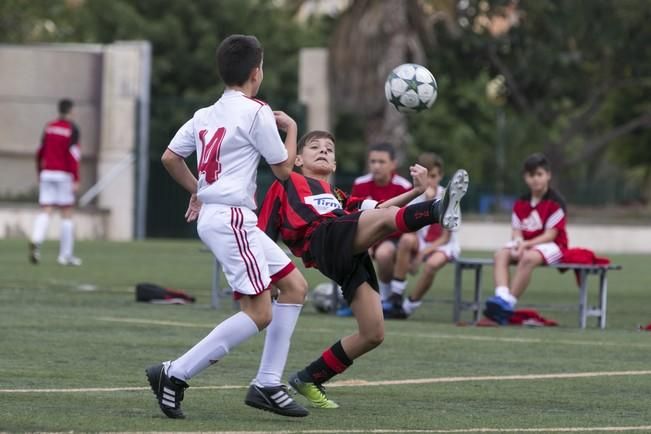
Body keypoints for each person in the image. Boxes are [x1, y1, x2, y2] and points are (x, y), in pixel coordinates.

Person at [145, 34, 310, 419]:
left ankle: (268, 382)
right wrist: (292, 129)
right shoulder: (256, 112)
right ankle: (174, 373)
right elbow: (284, 169)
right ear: (257, 73)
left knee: (294, 287)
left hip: (223, 217)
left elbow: (170, 158)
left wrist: (198, 190)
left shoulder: (205, 114)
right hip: (232, 217)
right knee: (260, 312)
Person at [257, 130, 469, 408]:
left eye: (329, 149)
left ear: (334, 165)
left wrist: (416, 191)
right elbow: (262, 232)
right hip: (320, 239)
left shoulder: (338, 195)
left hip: (346, 249)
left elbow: (381, 208)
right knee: (381, 219)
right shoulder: (287, 182)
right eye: (315, 147)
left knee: (373, 333)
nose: (323, 151)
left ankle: (309, 378)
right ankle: (437, 209)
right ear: (297, 160)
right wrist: (267, 279)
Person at [483, 152, 568, 325]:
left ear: (548, 175)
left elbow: (550, 235)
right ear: (525, 177)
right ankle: (501, 296)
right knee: (500, 254)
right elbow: (516, 230)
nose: (535, 179)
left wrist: (526, 245)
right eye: (531, 175)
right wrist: (519, 243)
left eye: (539, 174)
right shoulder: (520, 202)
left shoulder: (556, 202)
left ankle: (507, 305)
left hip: (552, 246)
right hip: (527, 244)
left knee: (528, 258)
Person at [383, 153, 461, 319]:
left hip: (442, 245)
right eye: (428, 176)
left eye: (434, 176)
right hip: (422, 241)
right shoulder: (416, 196)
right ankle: (396, 293)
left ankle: (408, 306)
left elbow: (445, 237)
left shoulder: (449, 196)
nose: (431, 181)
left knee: (432, 265)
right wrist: (411, 251)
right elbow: (408, 228)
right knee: (405, 240)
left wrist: (420, 254)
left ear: (440, 176)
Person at [350, 143, 412, 308]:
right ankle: (350, 298)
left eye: (381, 162)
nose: (376, 166)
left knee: (385, 253)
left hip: (392, 237)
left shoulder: (403, 186)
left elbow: (404, 221)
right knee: (344, 251)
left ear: (393, 164)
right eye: (373, 161)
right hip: (367, 235)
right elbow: (353, 215)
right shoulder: (360, 183)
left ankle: (385, 298)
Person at [29, 99, 82, 266]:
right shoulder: (72, 129)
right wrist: (76, 177)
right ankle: (65, 256)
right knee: (67, 212)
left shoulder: (49, 127)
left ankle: (36, 241)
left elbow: (40, 151)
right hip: (64, 174)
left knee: (46, 209)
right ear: (71, 111)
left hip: (47, 173)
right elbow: (73, 155)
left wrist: (40, 172)